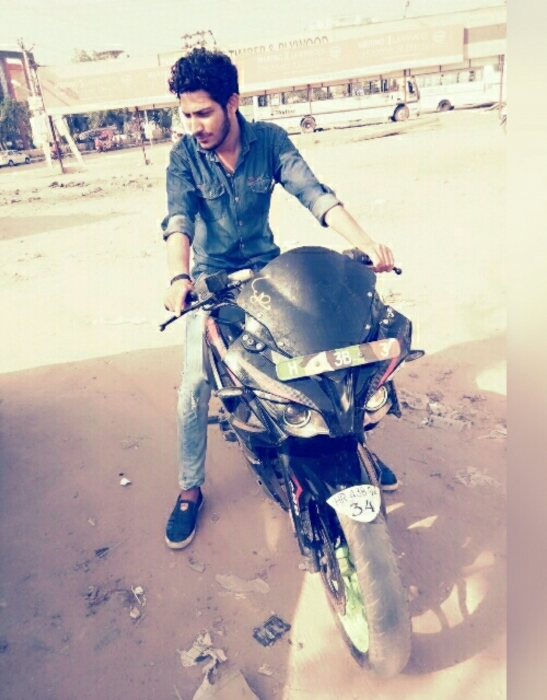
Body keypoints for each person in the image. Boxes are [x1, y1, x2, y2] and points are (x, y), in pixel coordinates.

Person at [161, 48, 398, 550]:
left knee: (319, 355)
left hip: (267, 270)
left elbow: (314, 194)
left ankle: (351, 451)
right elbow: (178, 220)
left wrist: (365, 243)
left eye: (203, 113)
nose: (194, 126)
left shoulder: (269, 141)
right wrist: (179, 278)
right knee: (193, 386)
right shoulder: (184, 157)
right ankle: (189, 488)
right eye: (186, 115)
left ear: (232, 102)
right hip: (211, 282)